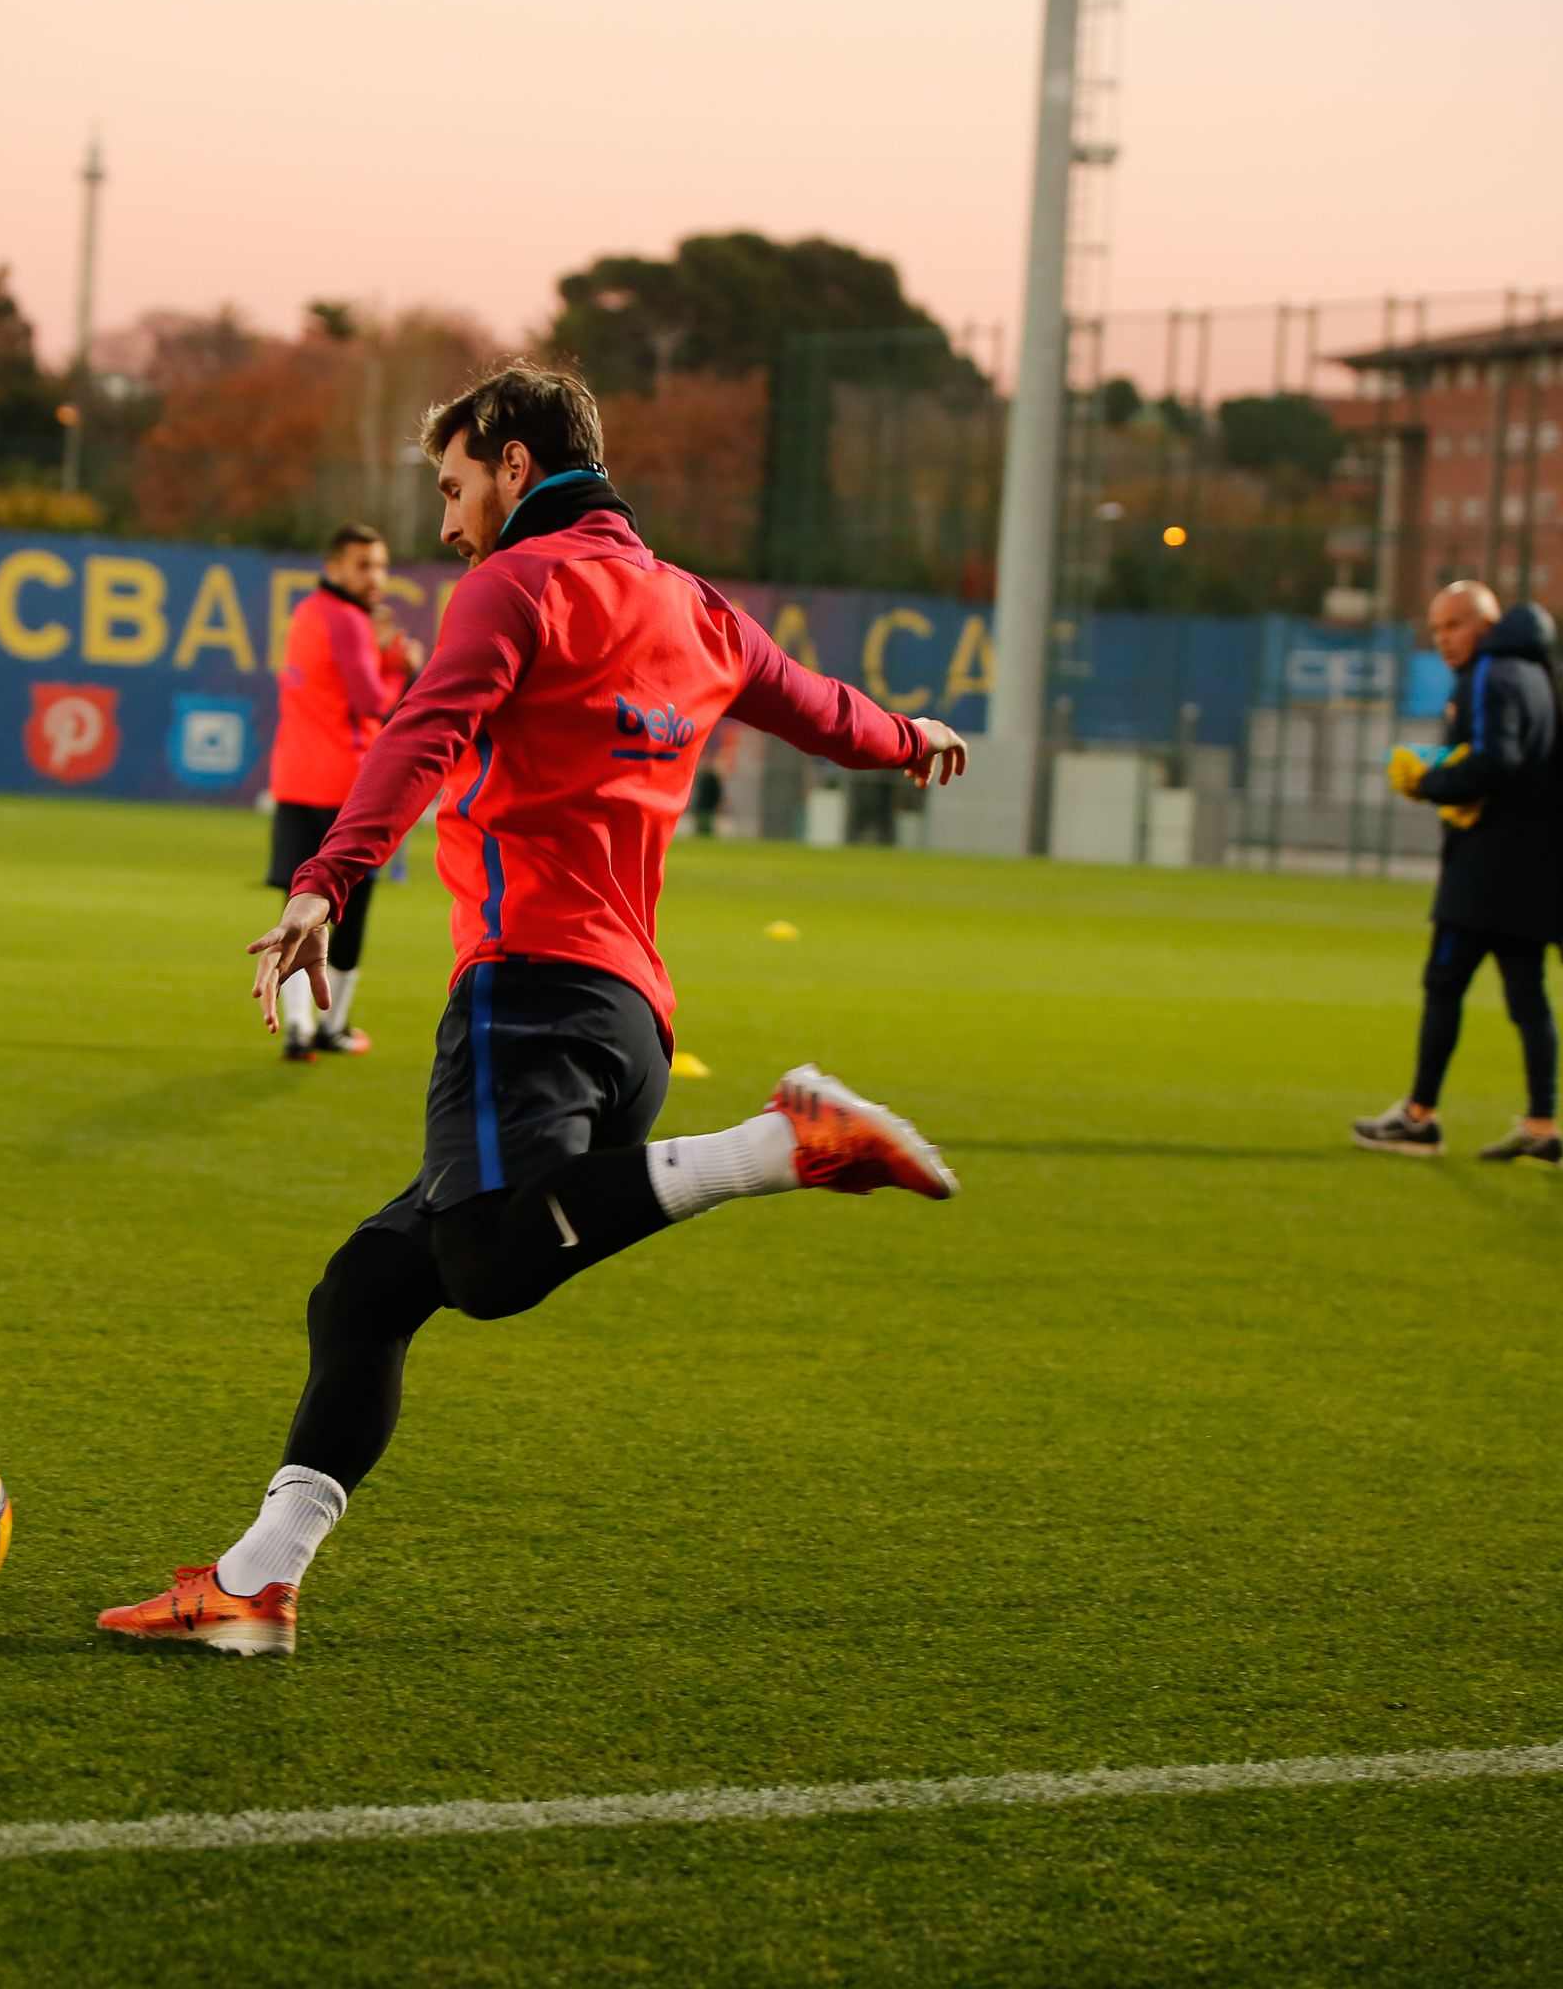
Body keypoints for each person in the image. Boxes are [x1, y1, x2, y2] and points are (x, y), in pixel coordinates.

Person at [97, 363, 972, 1656]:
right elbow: (822, 712)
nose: (445, 528)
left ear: (515, 461)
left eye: (453, 488)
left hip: (526, 993)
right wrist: (909, 734)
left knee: (490, 1266)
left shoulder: (518, 583)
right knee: (365, 1294)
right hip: (627, 1027)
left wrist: (323, 882)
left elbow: (422, 729)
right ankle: (255, 1583)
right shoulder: (695, 607)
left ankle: (783, 1146)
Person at [1353, 585, 1563, 1167]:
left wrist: (1427, 782)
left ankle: (1420, 1119)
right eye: (1436, 630)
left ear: (1485, 624)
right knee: (1529, 1000)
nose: (1444, 639)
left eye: (1453, 625)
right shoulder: (1536, 674)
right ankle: (1542, 1125)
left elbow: (1496, 762)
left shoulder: (1490, 674)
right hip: (1533, 869)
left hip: (1483, 873)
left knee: (1443, 985)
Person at [268, 524, 406, 1060]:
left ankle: (298, 1025)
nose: (376, 577)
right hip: (345, 786)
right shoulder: (349, 621)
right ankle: (333, 1025)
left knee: (298, 907)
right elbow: (373, 700)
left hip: (294, 780)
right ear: (335, 567)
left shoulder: (306, 614)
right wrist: (396, 664)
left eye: (380, 565)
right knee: (348, 911)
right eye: (363, 565)